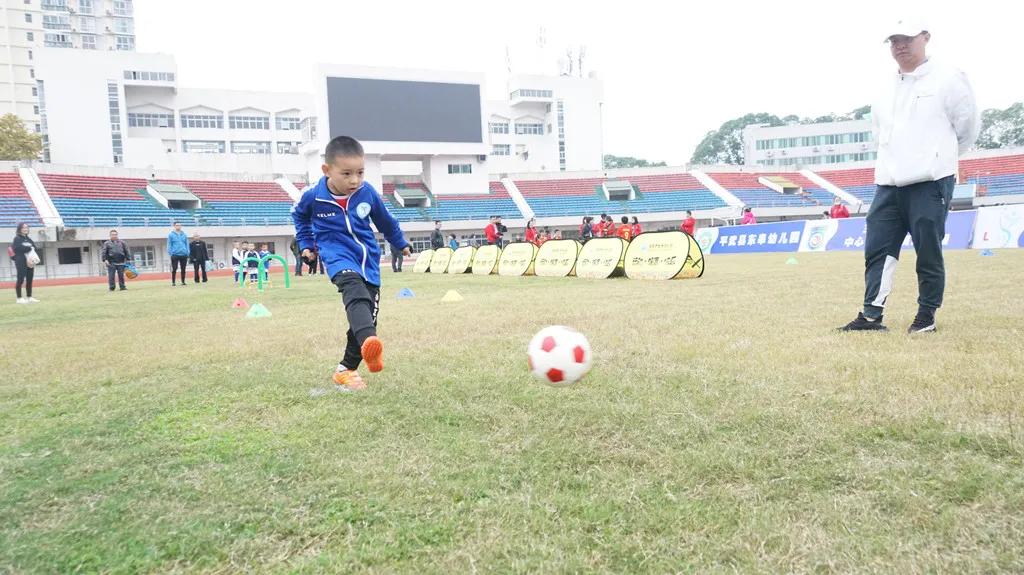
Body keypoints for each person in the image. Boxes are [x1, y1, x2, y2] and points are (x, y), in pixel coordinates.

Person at [840, 18, 979, 334]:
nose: (900, 45)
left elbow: (966, 128)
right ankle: (872, 315)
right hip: (888, 184)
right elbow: (880, 133)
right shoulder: (885, 86)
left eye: (907, 38)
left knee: (928, 250)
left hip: (930, 182)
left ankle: (926, 314)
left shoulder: (950, 77)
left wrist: (938, 159)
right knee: (878, 250)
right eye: (893, 40)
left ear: (926, 37)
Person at [292, 136, 411, 391]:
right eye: (346, 174)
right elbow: (300, 218)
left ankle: (346, 369)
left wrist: (400, 242)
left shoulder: (367, 192)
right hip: (337, 256)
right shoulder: (313, 197)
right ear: (327, 170)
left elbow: (386, 222)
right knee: (355, 293)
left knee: (366, 315)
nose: (354, 180)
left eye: (359, 172)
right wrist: (306, 245)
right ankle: (370, 340)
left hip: (367, 259)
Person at [10, 222, 39, 304]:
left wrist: (30, 248)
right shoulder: (17, 238)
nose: (25, 229)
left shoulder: (29, 239)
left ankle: (29, 297)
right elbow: (17, 248)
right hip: (21, 261)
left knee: (29, 279)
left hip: (30, 261)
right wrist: (29, 248)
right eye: (23, 227)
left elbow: (35, 248)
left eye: (27, 227)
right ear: (20, 229)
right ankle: (19, 298)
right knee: (20, 279)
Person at [167, 222, 189, 286]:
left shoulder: (184, 234)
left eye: (179, 225)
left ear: (181, 226)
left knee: (183, 269)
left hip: (183, 254)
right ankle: (173, 282)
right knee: (174, 268)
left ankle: (183, 282)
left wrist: (187, 252)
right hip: (175, 254)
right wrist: (170, 252)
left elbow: (186, 244)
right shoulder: (171, 235)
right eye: (177, 225)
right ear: (174, 226)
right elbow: (169, 244)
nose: (178, 226)